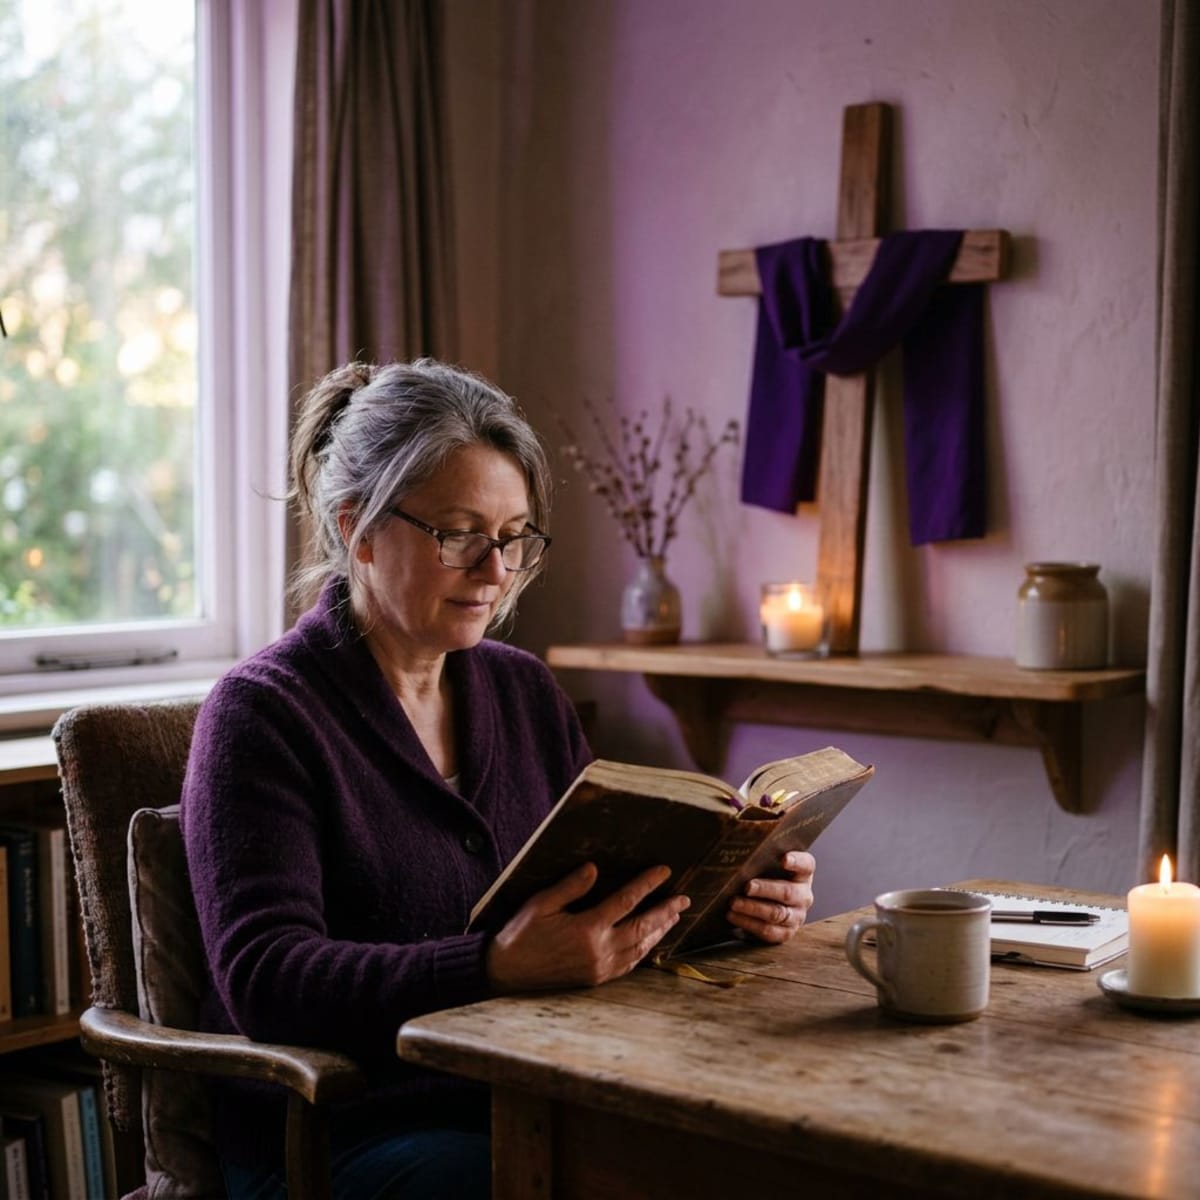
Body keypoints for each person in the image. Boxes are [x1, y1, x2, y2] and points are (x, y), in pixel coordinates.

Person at [180, 358, 817, 1198]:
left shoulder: (522, 692)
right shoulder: (263, 716)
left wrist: (730, 900)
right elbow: (268, 979)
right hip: (344, 1137)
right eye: (458, 534)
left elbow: (598, 900)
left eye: (514, 537)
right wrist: (489, 967)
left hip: (539, 1093)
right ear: (357, 530)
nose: (495, 572)